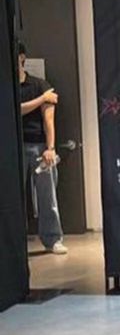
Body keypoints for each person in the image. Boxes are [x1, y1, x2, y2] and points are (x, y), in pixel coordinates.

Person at [18, 43, 66, 254]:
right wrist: (42, 99)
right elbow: (15, 110)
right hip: (14, 148)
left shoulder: (40, 84)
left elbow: (49, 120)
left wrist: (50, 148)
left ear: (22, 57)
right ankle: (15, 243)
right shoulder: (10, 87)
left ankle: (53, 239)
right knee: (13, 199)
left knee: (48, 196)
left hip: (39, 146)